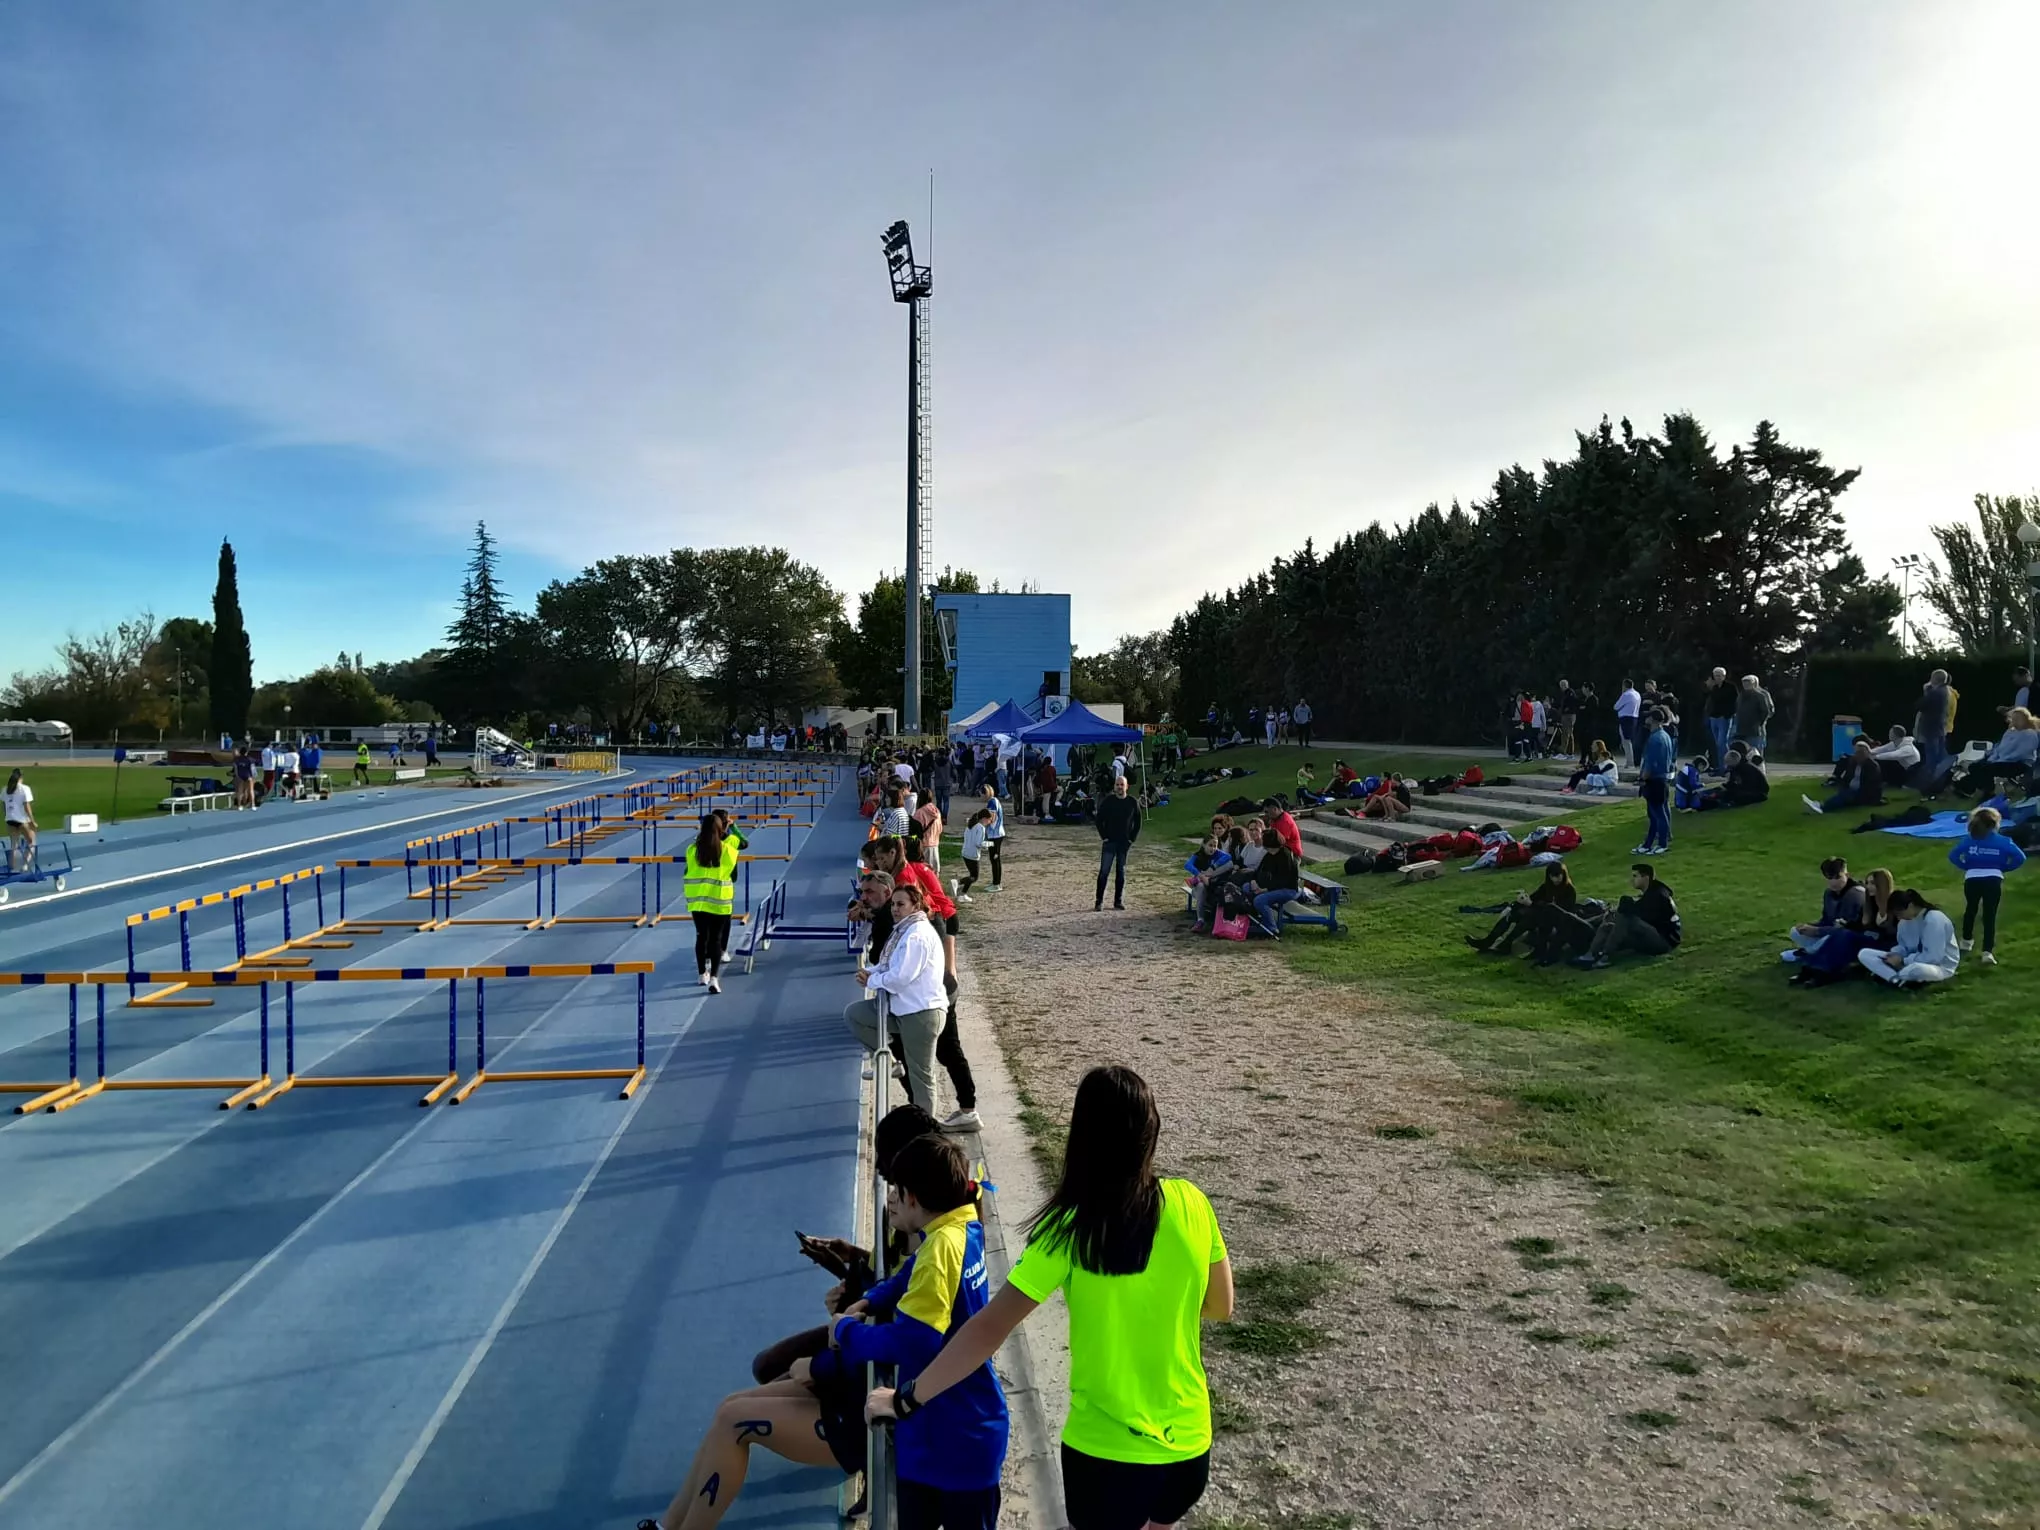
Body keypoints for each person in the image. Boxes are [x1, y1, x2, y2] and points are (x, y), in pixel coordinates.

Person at [868, 1065, 1233, 1530]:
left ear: (1081, 1138)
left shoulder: (1069, 1228)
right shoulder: (1192, 1201)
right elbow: (1221, 1305)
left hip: (1107, 1456)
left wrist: (906, 1400)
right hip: (1189, 1447)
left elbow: (987, 1330)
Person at [845, 882, 948, 1113]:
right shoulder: (904, 930)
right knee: (854, 1015)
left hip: (921, 1013)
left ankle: (926, 1129)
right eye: (893, 904)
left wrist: (871, 981)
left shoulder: (917, 936)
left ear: (915, 905)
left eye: (901, 904)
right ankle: (889, 1062)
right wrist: (872, 971)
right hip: (904, 1010)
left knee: (921, 1076)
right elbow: (890, 965)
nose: (894, 909)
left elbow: (901, 977)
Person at [1949, 805, 2026, 967]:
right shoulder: (2003, 841)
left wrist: (1966, 866)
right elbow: (2020, 857)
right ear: (1994, 824)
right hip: (1993, 879)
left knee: (1971, 909)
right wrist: (2004, 867)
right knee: (1989, 915)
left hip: (1972, 879)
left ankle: (1966, 942)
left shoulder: (1969, 839)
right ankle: (1987, 952)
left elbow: (1953, 855)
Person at [1792, 867, 1897, 986]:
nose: (1868, 886)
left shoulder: (1894, 906)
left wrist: (1874, 934)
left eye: (1873, 883)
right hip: (1869, 940)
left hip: (1885, 946)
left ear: (1882, 885)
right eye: (1867, 883)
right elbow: (1859, 925)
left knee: (1846, 936)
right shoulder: (1870, 905)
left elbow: (1895, 935)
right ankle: (1812, 969)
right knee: (1841, 932)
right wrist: (1846, 924)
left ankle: (1822, 972)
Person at [1573, 864, 1681, 969]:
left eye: (1635, 876)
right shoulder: (1651, 892)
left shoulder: (1658, 895)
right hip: (1652, 933)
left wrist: (1623, 909)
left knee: (1626, 917)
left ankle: (1606, 956)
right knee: (1609, 926)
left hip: (1664, 942)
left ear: (1646, 877)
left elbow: (1645, 917)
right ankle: (1589, 956)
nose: (1632, 880)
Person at [684, 814, 741, 993]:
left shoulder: (692, 850)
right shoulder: (729, 851)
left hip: (698, 901)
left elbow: (688, 870)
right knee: (716, 939)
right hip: (720, 900)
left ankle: (702, 974)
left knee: (701, 936)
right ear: (721, 829)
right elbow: (733, 874)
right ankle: (714, 979)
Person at [1467, 862, 1578, 954]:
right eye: (1552, 876)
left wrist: (1532, 904)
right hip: (1541, 915)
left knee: (1529, 917)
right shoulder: (1546, 887)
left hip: (1555, 920)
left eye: (1558, 876)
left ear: (1563, 875)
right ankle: (1488, 941)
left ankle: (1505, 944)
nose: (1556, 879)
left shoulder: (1569, 891)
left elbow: (1560, 911)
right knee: (1513, 913)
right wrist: (1520, 902)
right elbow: (1533, 897)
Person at [1859, 890, 1959, 987]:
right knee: (1864, 953)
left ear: (1910, 906)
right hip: (1908, 962)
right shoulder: (1903, 923)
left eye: (1900, 913)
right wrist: (1895, 954)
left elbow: (1934, 957)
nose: (1899, 918)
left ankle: (1892, 976)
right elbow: (1904, 946)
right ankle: (1896, 979)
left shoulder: (1934, 919)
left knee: (1916, 969)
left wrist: (1903, 961)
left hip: (1938, 967)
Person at [1781, 857, 1866, 965]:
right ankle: (1816, 952)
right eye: (1829, 878)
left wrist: (1817, 931)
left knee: (1831, 939)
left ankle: (1806, 953)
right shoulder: (1829, 893)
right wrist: (1809, 927)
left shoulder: (1856, 894)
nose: (1833, 882)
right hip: (1831, 932)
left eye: (1837, 877)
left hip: (1852, 938)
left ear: (1847, 875)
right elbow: (1827, 919)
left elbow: (1849, 929)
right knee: (1795, 931)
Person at [1955, 707, 2038, 797]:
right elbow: (2000, 749)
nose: (2014, 721)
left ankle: (1971, 788)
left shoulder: (2030, 734)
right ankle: (1975, 789)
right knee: (1975, 766)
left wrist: (2001, 760)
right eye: (2013, 719)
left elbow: (2022, 753)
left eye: (2018, 719)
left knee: (1987, 769)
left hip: (2019, 763)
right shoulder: (2010, 732)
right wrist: (1993, 758)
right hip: (2003, 760)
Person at [1094, 776, 1142, 912]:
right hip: (1110, 842)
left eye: (1122, 784)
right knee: (1104, 871)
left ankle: (1118, 901)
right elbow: (1099, 819)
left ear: (1127, 787)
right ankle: (1099, 901)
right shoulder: (1108, 801)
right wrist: (1104, 836)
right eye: (1117, 785)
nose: (1119, 787)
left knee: (1121, 872)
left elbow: (1138, 822)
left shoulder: (1132, 802)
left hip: (1123, 843)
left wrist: (1132, 838)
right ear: (1114, 786)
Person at [1804, 737, 1885, 814]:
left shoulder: (1873, 766)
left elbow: (1871, 786)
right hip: (1852, 791)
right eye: (1857, 752)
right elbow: (1847, 778)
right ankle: (1819, 806)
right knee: (1842, 796)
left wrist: (1853, 792)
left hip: (1866, 794)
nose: (1858, 755)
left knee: (1845, 796)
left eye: (1861, 753)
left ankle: (1821, 807)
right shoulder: (1853, 762)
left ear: (1867, 753)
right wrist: (1843, 788)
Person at [1634, 710, 1675, 856]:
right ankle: (1648, 844)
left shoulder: (1654, 738)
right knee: (1656, 813)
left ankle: (1662, 844)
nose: (1647, 719)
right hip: (1662, 778)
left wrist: (1642, 779)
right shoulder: (1665, 736)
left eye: (1649, 717)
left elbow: (1650, 762)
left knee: (1657, 813)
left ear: (1654, 720)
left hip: (1654, 780)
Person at [1248, 828, 1300, 937]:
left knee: (1260, 900)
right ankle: (1255, 918)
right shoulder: (1269, 855)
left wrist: (1265, 889)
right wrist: (1253, 881)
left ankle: (1271, 927)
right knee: (1245, 888)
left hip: (1287, 889)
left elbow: (1284, 880)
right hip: (1270, 886)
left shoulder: (1285, 856)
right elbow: (1258, 870)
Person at [1914, 670, 1954, 788]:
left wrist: (1926, 691)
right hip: (1939, 727)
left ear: (1934, 679)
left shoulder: (1936, 692)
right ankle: (1943, 781)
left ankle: (1931, 783)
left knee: (1932, 756)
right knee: (1940, 755)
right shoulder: (1945, 691)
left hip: (1932, 728)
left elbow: (1920, 705)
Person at [954, 809, 992, 903]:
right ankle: (958, 883)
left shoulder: (970, 825)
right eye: (989, 820)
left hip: (965, 852)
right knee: (974, 877)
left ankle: (963, 894)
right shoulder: (980, 828)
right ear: (984, 818)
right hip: (973, 855)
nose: (989, 822)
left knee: (972, 875)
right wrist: (988, 844)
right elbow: (978, 843)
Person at [1702, 666, 1736, 771]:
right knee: (1717, 743)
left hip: (1724, 718)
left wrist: (1728, 714)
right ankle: (1720, 766)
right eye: (1716, 675)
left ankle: (1726, 766)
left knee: (1722, 742)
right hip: (1714, 718)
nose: (1717, 677)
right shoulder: (1715, 688)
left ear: (1724, 676)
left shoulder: (1730, 687)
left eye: (1719, 675)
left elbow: (1735, 702)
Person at [1732, 674, 1773, 755]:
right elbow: (1737, 709)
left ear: (1754, 683)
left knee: (1756, 751)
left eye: (1748, 682)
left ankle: (1758, 766)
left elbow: (1766, 711)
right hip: (1741, 729)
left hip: (1755, 729)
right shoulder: (1741, 695)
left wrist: (1759, 723)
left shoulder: (1761, 695)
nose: (1746, 684)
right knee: (1743, 751)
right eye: (1744, 682)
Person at [4, 769, 35, 872]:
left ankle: (12, 867)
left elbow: (3, 805)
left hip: (10, 820)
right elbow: (27, 806)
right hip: (21, 820)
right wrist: (32, 821)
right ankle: (25, 864)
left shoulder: (5, 789)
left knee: (14, 844)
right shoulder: (24, 789)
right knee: (31, 841)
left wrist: (7, 816)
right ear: (21, 777)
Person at [979, 780, 1005, 892]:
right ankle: (995, 881)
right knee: (994, 859)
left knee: (995, 859)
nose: (980, 797)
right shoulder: (994, 801)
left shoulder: (992, 803)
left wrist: (978, 824)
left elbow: (991, 818)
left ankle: (997, 884)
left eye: (981, 794)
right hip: (995, 834)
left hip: (996, 835)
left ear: (985, 793)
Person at [913, 794, 945, 878]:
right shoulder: (937, 811)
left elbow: (915, 830)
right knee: (934, 872)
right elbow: (940, 829)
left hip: (924, 845)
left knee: (923, 872)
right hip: (935, 844)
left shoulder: (920, 812)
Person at [1613, 679, 1642, 766]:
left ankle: (1630, 762)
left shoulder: (1626, 694)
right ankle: (1631, 760)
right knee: (1630, 740)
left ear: (1624, 686)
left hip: (1625, 718)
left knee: (1626, 741)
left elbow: (1616, 706)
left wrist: (1622, 694)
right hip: (1634, 717)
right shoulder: (1637, 694)